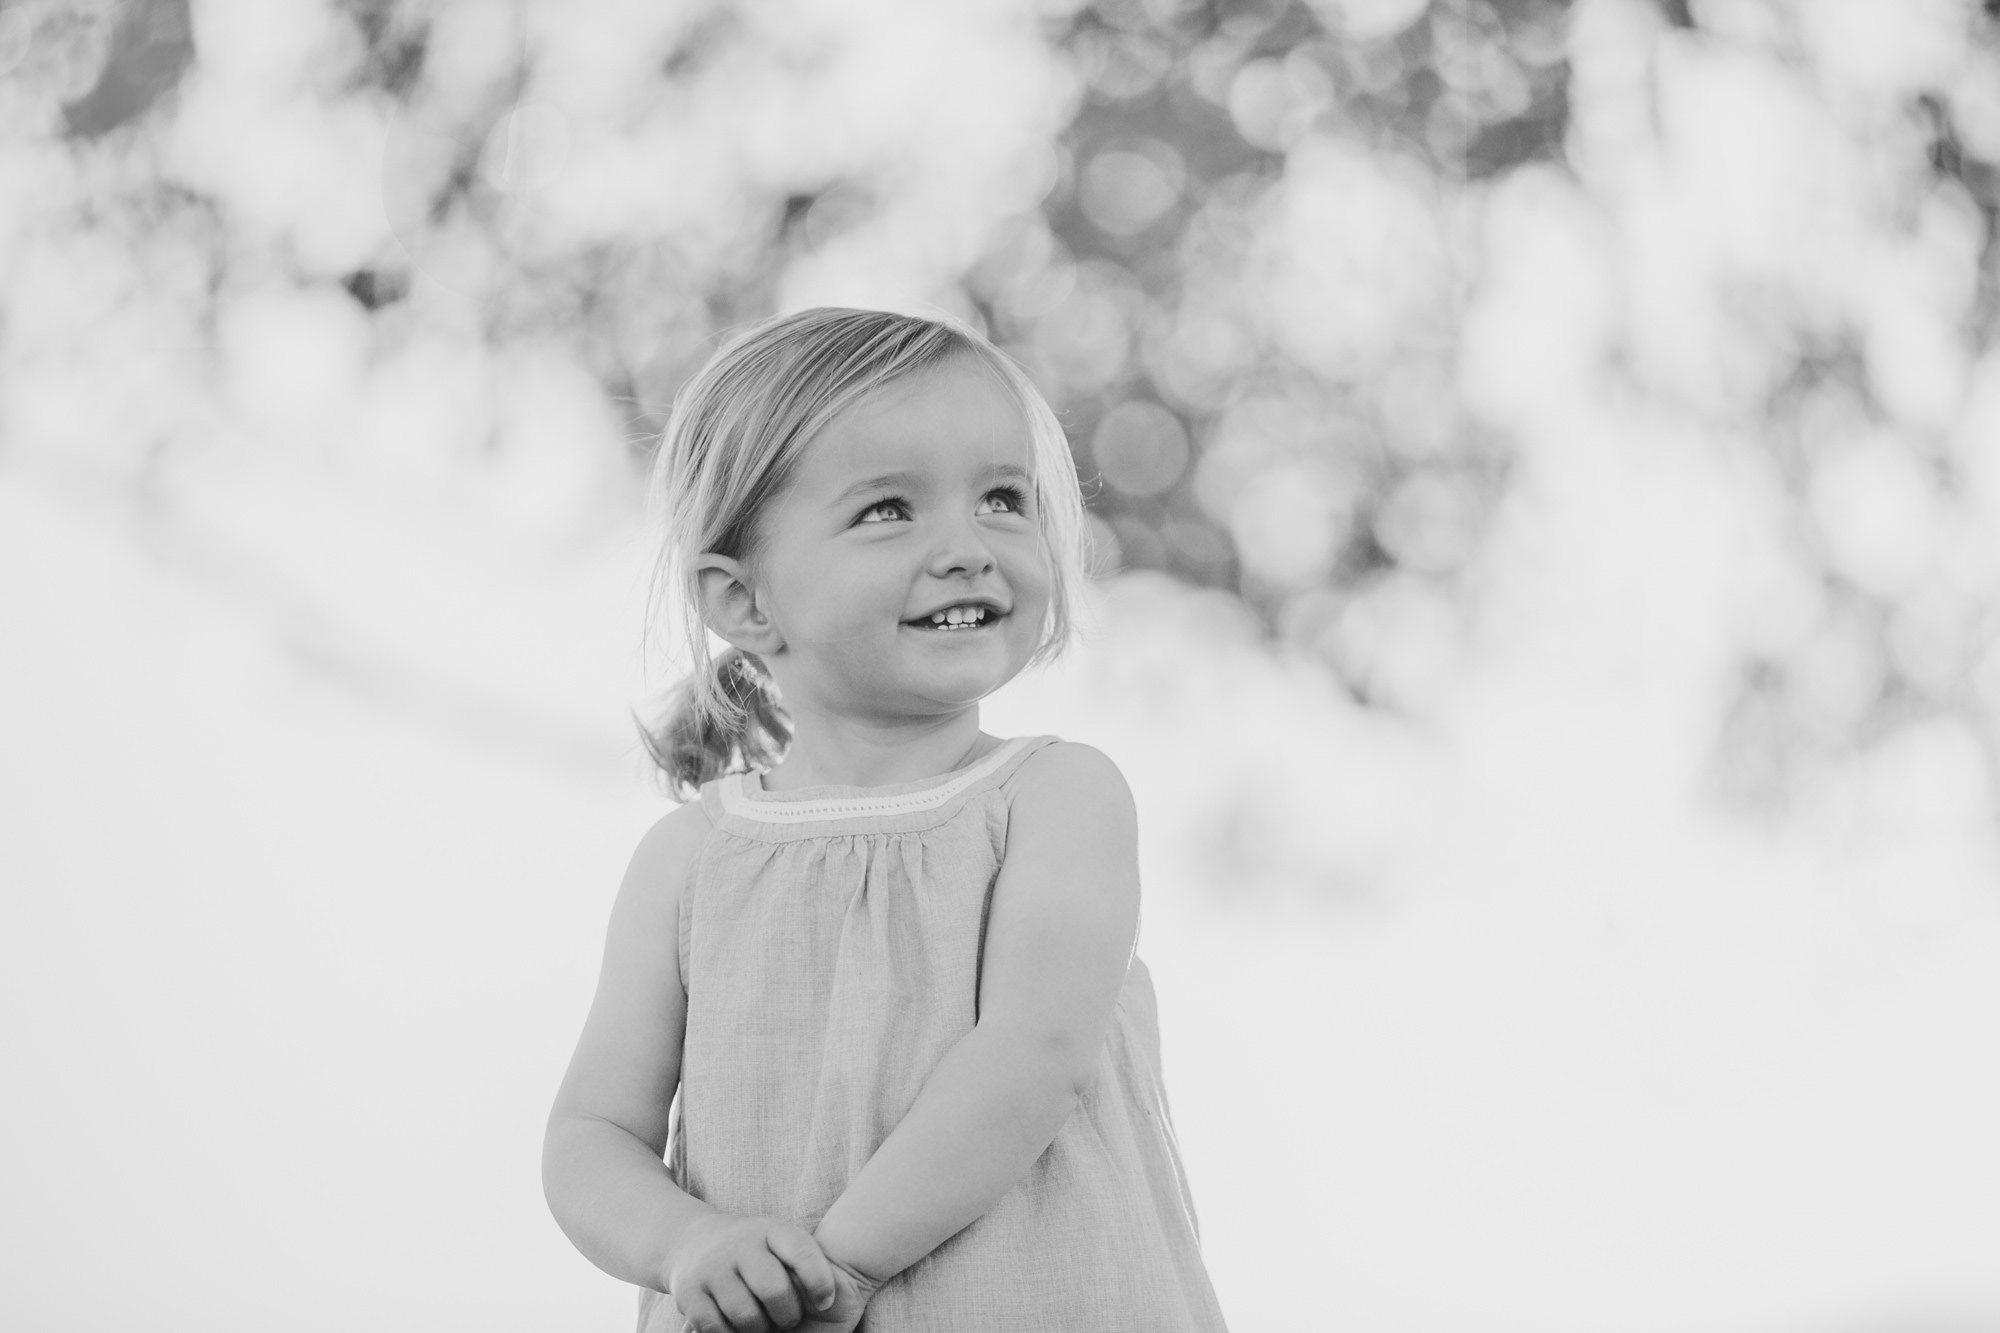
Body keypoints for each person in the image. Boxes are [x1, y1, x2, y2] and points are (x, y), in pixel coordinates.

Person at [542, 307, 1229, 1333]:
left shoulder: (1055, 796)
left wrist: (836, 1270)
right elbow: (591, 1133)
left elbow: (1034, 1055)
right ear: (745, 601)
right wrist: (687, 1244)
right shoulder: (691, 860)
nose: (967, 547)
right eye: (888, 510)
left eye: (1002, 498)